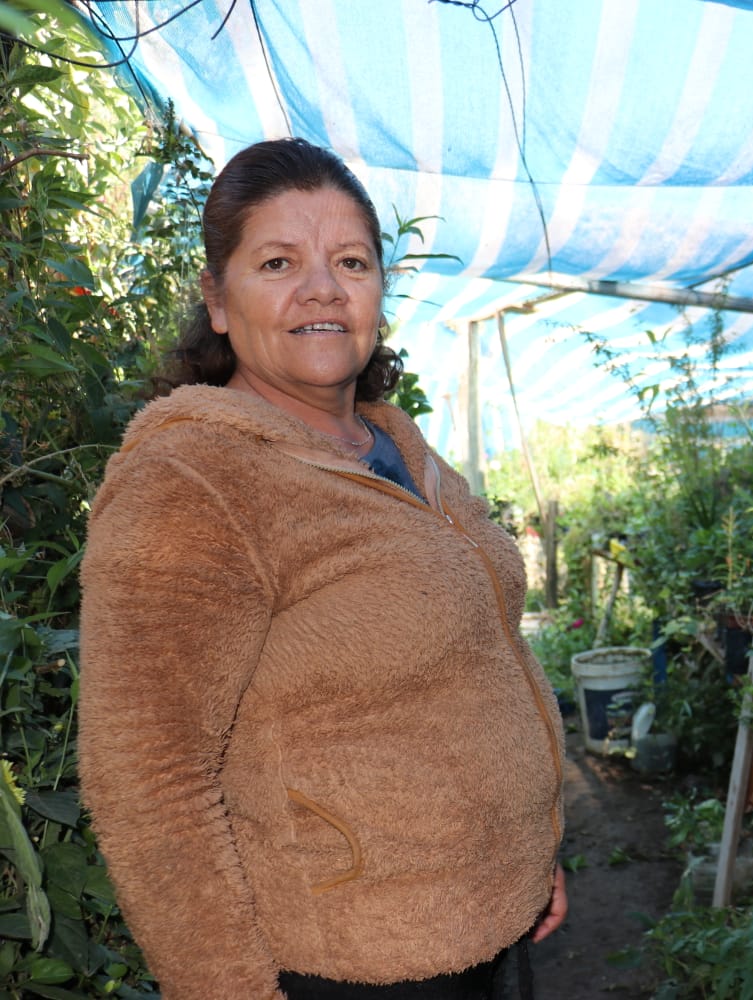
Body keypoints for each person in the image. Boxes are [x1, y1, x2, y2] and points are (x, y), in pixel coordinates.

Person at [78, 137, 566, 999]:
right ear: (218, 302)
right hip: (349, 961)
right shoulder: (193, 478)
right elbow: (150, 780)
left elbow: (471, 669)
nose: (323, 289)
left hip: (485, 921)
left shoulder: (397, 446)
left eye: (351, 261)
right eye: (277, 262)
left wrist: (529, 849)